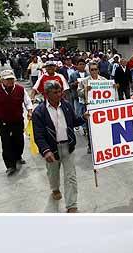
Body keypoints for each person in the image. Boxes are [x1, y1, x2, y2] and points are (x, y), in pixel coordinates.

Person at [32, 80, 89, 213]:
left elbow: (74, 121)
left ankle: (72, 205)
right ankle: (55, 188)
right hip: (51, 149)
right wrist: (45, 151)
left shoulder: (67, 106)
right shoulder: (39, 112)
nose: (59, 94)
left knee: (71, 177)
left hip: (68, 147)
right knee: (53, 173)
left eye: (60, 91)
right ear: (47, 94)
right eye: (55, 92)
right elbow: (38, 135)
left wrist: (84, 118)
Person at [0, 70, 33, 175]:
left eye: (12, 79)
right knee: (6, 142)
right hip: (2, 122)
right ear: (3, 80)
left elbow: (27, 102)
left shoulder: (20, 89)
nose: (10, 81)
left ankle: (18, 156)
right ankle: (10, 165)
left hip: (17, 120)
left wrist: (30, 111)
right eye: (8, 79)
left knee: (19, 140)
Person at [78, 61, 108, 153]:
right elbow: (78, 93)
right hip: (90, 109)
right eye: (92, 70)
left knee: (102, 128)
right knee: (90, 129)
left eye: (95, 69)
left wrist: (113, 87)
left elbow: (110, 92)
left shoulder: (104, 80)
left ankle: (102, 145)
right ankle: (90, 146)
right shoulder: (84, 81)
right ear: (89, 71)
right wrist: (85, 90)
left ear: (98, 70)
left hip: (101, 109)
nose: (94, 71)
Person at [69, 58, 90, 134]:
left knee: (86, 112)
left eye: (83, 64)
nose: (81, 66)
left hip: (87, 98)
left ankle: (85, 128)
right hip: (77, 97)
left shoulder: (88, 74)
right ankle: (78, 124)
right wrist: (74, 84)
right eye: (80, 64)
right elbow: (69, 85)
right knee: (78, 112)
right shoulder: (73, 75)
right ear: (77, 66)